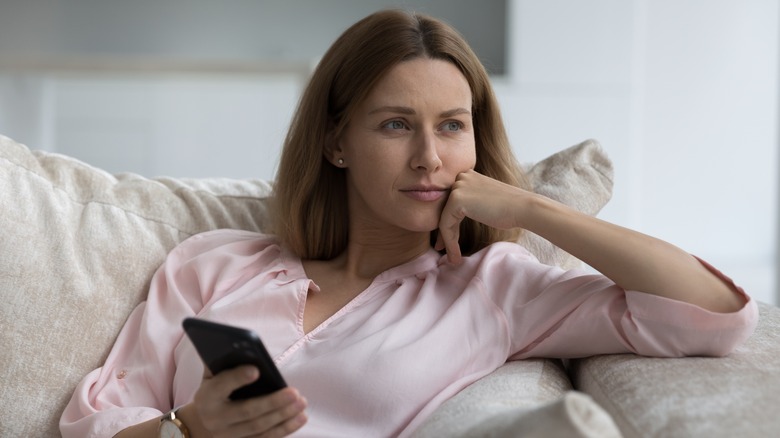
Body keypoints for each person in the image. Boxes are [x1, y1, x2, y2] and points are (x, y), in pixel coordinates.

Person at [60, 9, 757, 438]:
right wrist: (188, 430)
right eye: (396, 124)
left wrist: (528, 206)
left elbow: (714, 313)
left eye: (452, 127)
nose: (429, 158)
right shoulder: (211, 265)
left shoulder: (494, 291)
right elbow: (99, 414)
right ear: (337, 142)